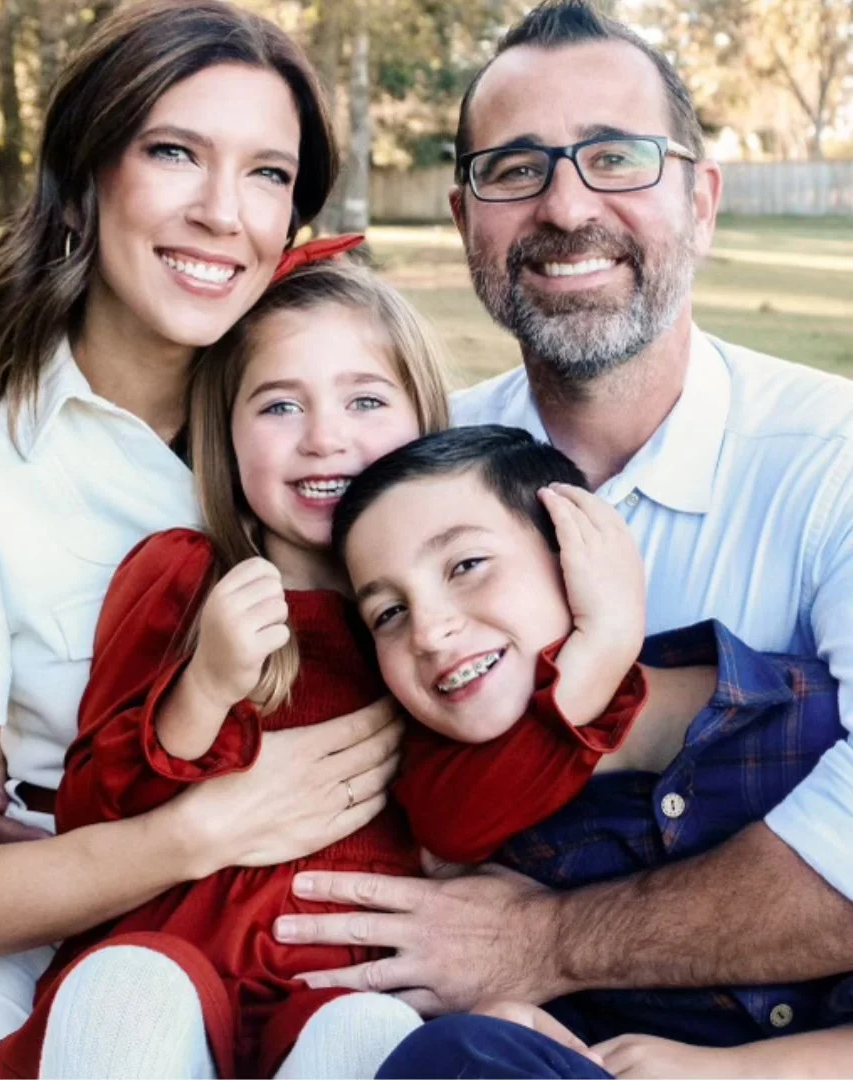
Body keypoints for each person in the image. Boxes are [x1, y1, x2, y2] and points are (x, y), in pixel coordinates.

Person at [272, 0, 853, 1070]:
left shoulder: (833, 462)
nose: (566, 203)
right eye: (515, 168)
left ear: (703, 200)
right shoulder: (419, 475)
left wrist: (544, 942)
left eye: (617, 156)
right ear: (463, 219)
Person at [0, 5, 411, 1077]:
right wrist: (202, 831)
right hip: (65, 917)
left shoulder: (342, 431)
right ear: (87, 174)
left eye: (267, 174)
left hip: (330, 919)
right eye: (174, 152)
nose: (221, 214)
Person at [0, 262, 654, 1079]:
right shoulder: (185, 577)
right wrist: (206, 688)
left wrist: (601, 648)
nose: (325, 437)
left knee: (367, 1032)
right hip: (173, 958)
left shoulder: (434, 635)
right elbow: (92, 810)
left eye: (366, 401)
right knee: (124, 987)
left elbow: (461, 817)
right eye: (279, 406)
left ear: (424, 421)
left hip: (333, 986)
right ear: (224, 434)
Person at [330, 424, 853, 1077]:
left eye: (466, 566)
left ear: (579, 555)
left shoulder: (810, 729)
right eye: (389, 613)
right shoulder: (479, 836)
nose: (431, 631)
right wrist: (511, 1025)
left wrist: (741, 1070)